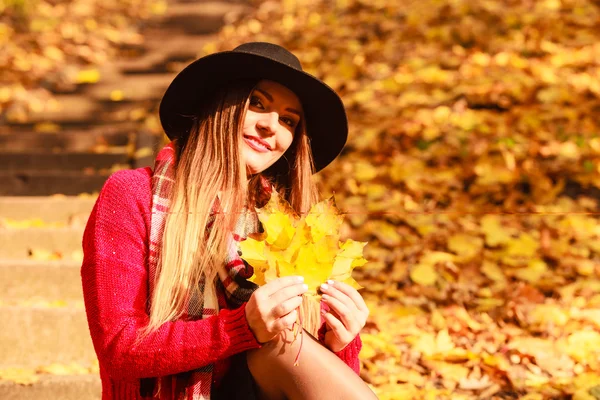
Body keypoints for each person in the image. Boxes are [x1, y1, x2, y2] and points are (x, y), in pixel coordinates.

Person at [81, 42, 377, 400]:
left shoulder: (283, 225)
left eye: (288, 120)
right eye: (257, 103)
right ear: (221, 105)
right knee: (274, 339)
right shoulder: (132, 195)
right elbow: (119, 348)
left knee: (284, 342)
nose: (272, 127)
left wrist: (341, 342)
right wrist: (242, 328)